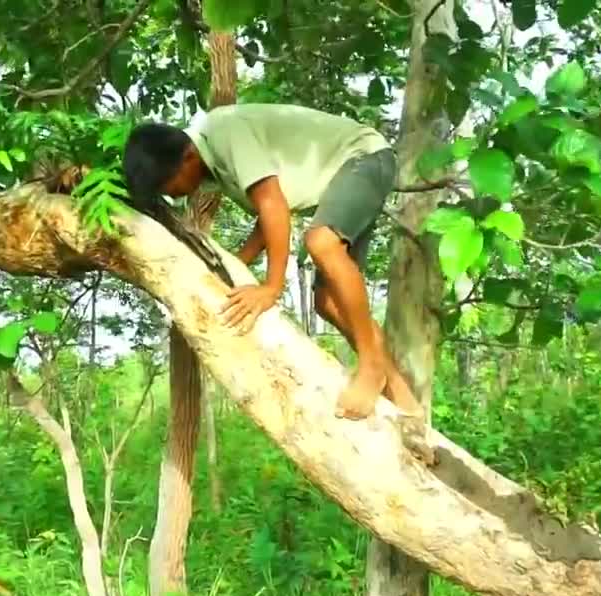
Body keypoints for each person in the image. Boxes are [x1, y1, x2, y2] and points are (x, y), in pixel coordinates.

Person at [122, 103, 421, 421]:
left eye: (169, 187)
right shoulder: (215, 162)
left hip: (365, 157)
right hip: (348, 173)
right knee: (328, 302)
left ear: (187, 159)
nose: (174, 195)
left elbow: (273, 205)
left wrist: (271, 287)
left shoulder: (224, 131)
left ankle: (371, 367)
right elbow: (267, 219)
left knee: (322, 242)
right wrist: (236, 266)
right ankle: (406, 403)